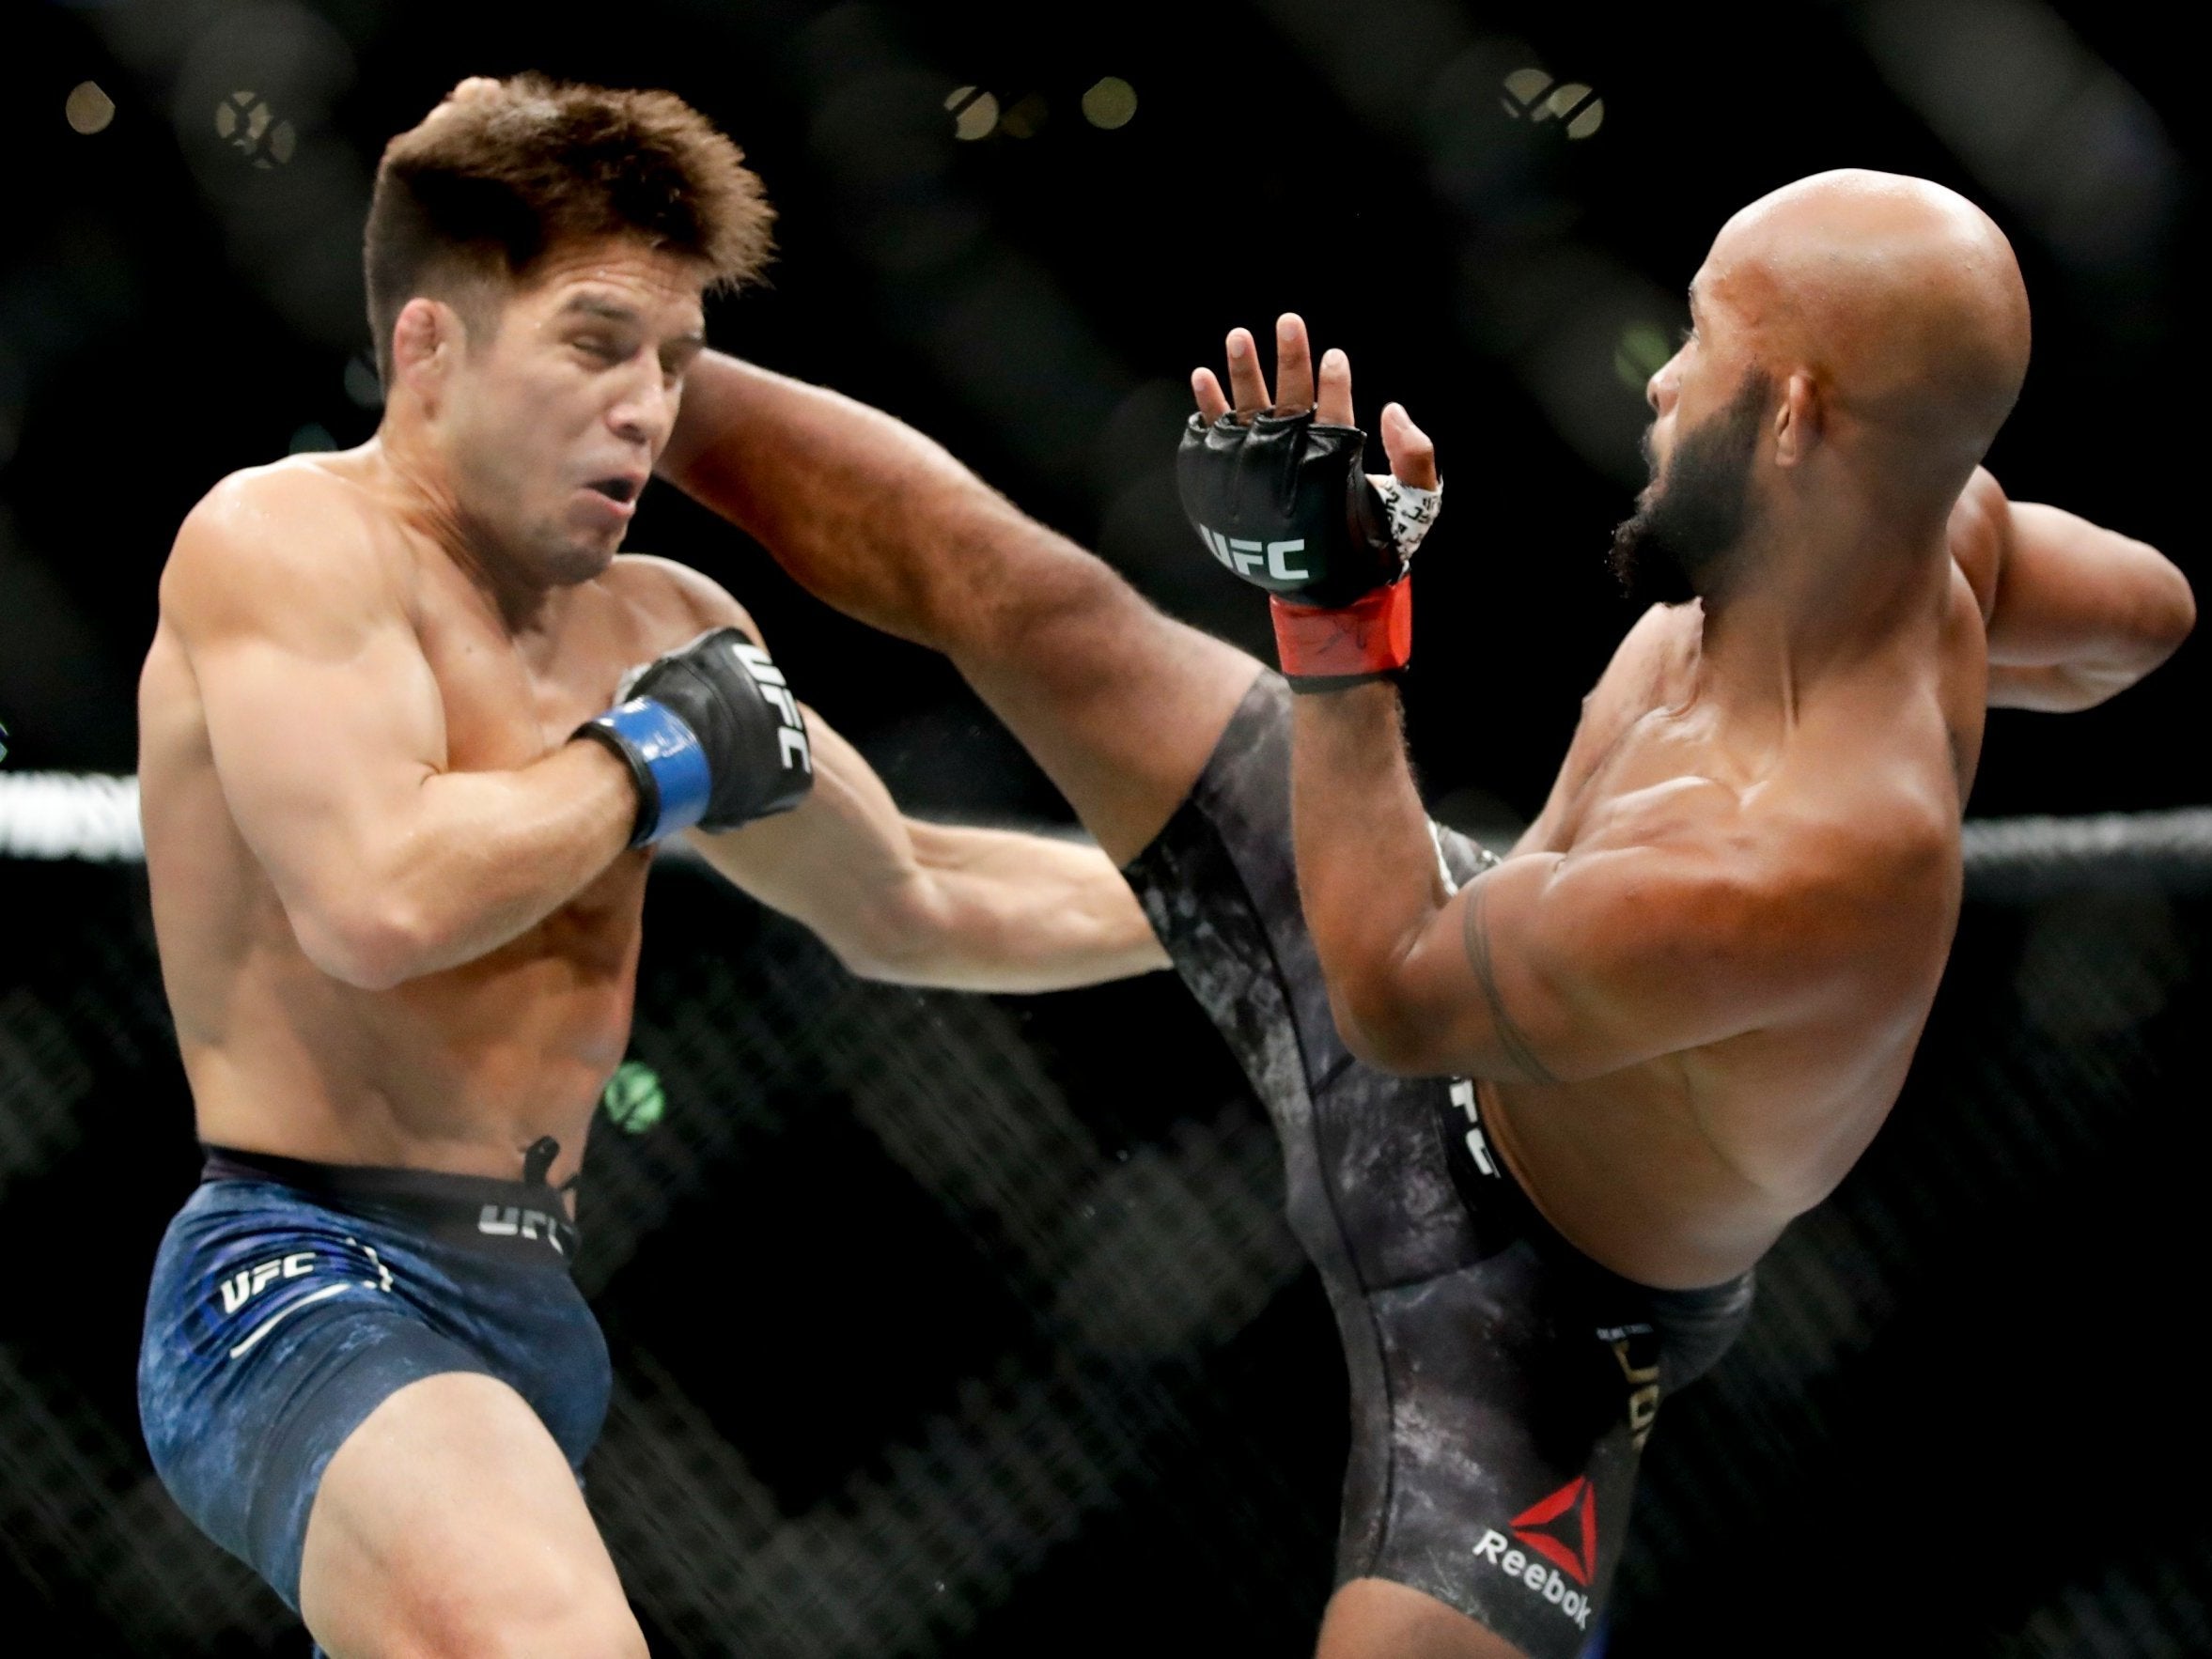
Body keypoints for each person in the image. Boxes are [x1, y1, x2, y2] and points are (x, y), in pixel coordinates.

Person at [656, 169, 2194, 1657]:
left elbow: (1387, 991)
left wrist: (1335, 617)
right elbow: (2146, 623)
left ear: (1792, 416)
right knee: (1023, 591)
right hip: (1465, 925)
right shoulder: (1945, 546)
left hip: (1531, 1310)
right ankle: (623, 379)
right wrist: (1933, 647)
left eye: (1703, 340)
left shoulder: (1799, 860)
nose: (1658, 383)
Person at [133, 75, 1165, 1657]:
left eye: (675, 362)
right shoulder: (283, 541)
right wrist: (649, 760)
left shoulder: (674, 630)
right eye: (596, 343)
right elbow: (377, 900)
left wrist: (1285, 910)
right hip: (299, 1271)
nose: (647, 408)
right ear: (431, 347)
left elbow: (915, 898)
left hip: (538, 1306)